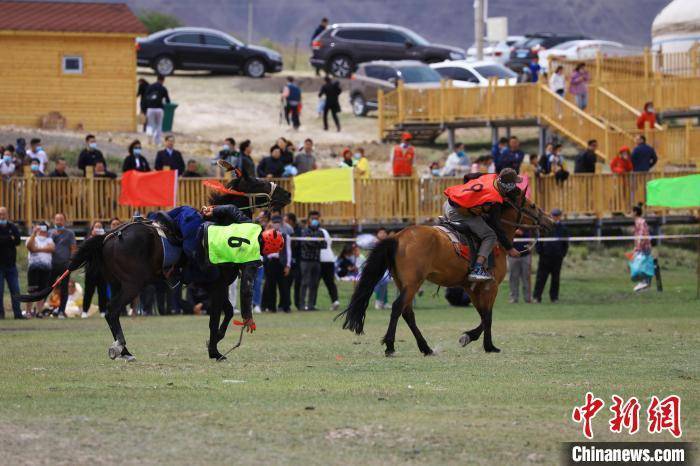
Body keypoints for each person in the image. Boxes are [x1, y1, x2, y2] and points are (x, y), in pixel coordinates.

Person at [443, 169, 522, 281]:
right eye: (514, 184)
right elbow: (497, 227)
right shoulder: (494, 199)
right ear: (508, 186)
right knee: (490, 235)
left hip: (447, 203)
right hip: (457, 213)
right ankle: (478, 268)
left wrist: (469, 197)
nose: (515, 186)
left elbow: (467, 176)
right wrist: (509, 248)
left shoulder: (491, 176)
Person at [533, 208, 568, 303]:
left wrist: (562, 254)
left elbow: (565, 244)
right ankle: (537, 297)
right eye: (554, 215)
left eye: (557, 215)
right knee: (541, 278)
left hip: (557, 257)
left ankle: (554, 298)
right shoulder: (545, 226)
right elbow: (538, 241)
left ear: (560, 216)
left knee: (555, 279)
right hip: (545, 257)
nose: (555, 217)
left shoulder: (563, 228)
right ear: (551, 216)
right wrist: (540, 252)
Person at [48, 212, 77, 318]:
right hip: (51, 264)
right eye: (57, 219)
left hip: (64, 265)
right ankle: (47, 308)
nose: (59, 221)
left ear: (64, 221)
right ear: (54, 221)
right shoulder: (50, 232)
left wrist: (71, 262)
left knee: (64, 288)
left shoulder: (70, 233)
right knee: (49, 287)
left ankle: (61, 311)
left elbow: (73, 248)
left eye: (61, 219)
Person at [25, 222, 55, 317]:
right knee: (32, 291)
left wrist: (37, 249)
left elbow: (52, 248)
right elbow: (30, 246)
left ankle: (39, 312)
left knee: (42, 292)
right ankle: (28, 312)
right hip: (34, 267)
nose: (42, 230)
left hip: (46, 268)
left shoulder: (49, 239)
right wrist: (34, 233)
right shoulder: (32, 238)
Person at [261, 217, 291, 313]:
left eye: (278, 223)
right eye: (274, 223)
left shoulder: (285, 236)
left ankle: (285, 306)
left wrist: (288, 265)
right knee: (270, 286)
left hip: (281, 262)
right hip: (270, 263)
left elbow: (288, 251)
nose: (276, 225)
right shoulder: (265, 235)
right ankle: (271, 307)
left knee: (284, 286)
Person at [299, 211, 326, 311]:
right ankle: (302, 305)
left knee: (314, 284)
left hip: (316, 261)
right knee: (305, 283)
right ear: (309, 220)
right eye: (313, 218)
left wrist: (314, 242)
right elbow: (307, 243)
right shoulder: (305, 231)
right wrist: (317, 242)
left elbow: (324, 245)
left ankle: (311, 305)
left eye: (316, 218)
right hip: (306, 261)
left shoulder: (321, 232)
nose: (315, 220)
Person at [0, 206, 24, 319]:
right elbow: (11, 240)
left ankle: (18, 314)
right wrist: (9, 239)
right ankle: (1, 314)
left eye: (4, 214)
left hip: (11, 265)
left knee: (15, 290)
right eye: (0, 214)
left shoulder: (12, 226)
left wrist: (6, 239)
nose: (2, 216)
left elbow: (18, 241)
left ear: (7, 214)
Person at [82, 221, 108, 319]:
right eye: (96, 227)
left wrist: (102, 238)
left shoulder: (106, 239)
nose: (97, 229)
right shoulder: (88, 239)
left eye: (100, 227)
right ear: (92, 229)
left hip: (103, 270)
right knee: (88, 291)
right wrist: (92, 238)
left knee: (102, 292)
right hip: (90, 270)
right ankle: (84, 310)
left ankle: (103, 311)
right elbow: (85, 251)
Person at [318, 214, 339, 311]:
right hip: (330, 258)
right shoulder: (325, 231)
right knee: (330, 282)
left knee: (315, 282)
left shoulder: (317, 231)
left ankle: (311, 303)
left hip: (321, 259)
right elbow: (329, 243)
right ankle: (335, 301)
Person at [145, 75, 171, 146]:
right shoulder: (163, 88)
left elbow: (145, 98)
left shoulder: (150, 87)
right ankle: (157, 142)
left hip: (150, 109)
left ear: (157, 79)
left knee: (150, 125)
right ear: (163, 80)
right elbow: (168, 101)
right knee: (158, 125)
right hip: (159, 109)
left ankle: (149, 138)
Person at [632, 205, 653, 292]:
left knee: (640, 265)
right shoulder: (639, 221)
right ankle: (645, 283)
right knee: (641, 264)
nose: (631, 213)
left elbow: (641, 235)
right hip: (643, 247)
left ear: (635, 212)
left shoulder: (640, 222)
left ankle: (644, 283)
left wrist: (638, 247)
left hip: (643, 247)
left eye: (632, 211)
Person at [284, 213, 303, 310]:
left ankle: (298, 304)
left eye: (286, 221)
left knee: (298, 283)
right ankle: (286, 304)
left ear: (291, 221)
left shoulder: (299, 230)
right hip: (288, 261)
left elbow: (296, 244)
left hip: (297, 261)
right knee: (287, 284)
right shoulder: (285, 230)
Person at [508, 229, 531, 303]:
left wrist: (522, 233)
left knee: (526, 278)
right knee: (513, 278)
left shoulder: (526, 225)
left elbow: (530, 236)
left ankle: (527, 298)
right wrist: (514, 232)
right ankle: (513, 298)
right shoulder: (511, 226)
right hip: (512, 257)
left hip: (525, 255)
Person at [373, 227, 391, 309]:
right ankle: (378, 301)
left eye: (384, 233)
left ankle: (384, 302)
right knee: (381, 283)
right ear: (377, 234)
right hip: (376, 267)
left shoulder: (389, 244)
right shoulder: (374, 243)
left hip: (387, 268)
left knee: (384, 282)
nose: (383, 234)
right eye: (380, 233)